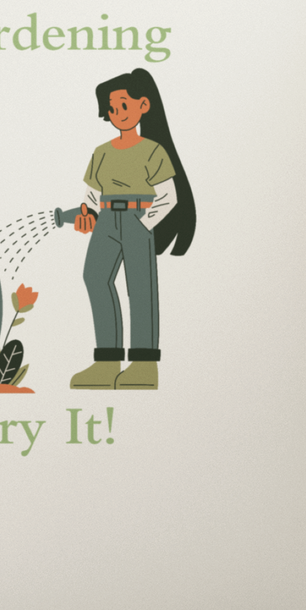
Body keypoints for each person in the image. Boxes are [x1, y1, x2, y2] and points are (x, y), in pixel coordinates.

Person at [68, 69, 195, 391]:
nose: (117, 113)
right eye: (112, 108)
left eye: (124, 105)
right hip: (106, 220)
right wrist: (87, 214)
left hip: (138, 218)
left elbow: (168, 196)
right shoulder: (102, 152)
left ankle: (143, 366)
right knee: (95, 278)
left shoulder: (152, 150)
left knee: (140, 288)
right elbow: (91, 195)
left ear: (143, 106)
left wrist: (145, 222)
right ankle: (107, 362)